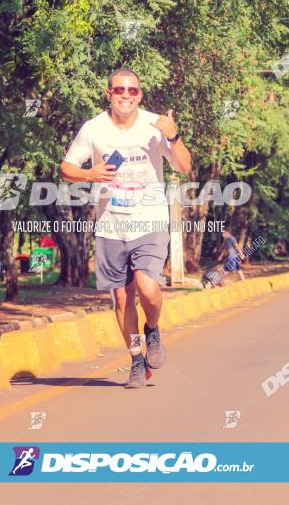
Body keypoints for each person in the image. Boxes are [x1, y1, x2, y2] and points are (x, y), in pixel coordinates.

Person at [60, 67, 192, 389]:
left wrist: (173, 135)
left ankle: (153, 330)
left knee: (147, 288)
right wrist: (90, 175)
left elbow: (185, 166)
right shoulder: (93, 129)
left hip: (149, 218)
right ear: (109, 94)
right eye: (119, 90)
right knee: (121, 300)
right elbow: (66, 168)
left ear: (140, 95)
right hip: (110, 225)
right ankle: (135, 360)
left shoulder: (154, 125)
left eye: (132, 91)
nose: (126, 96)